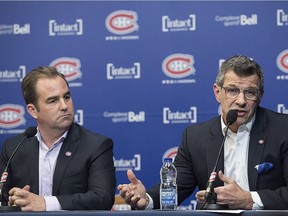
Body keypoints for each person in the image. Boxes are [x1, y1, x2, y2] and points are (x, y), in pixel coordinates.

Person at [118, 55, 288, 210]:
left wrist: (249, 199)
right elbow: (179, 186)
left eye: (250, 92)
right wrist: (147, 200)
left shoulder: (282, 129)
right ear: (217, 92)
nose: (241, 101)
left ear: (260, 96)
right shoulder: (195, 136)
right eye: (232, 90)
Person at [0, 66, 116, 211]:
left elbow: (102, 198)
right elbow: (3, 198)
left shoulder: (96, 145)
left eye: (66, 97)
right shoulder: (13, 148)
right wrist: (13, 201)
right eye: (53, 101)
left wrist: (45, 203)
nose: (64, 106)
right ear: (33, 110)